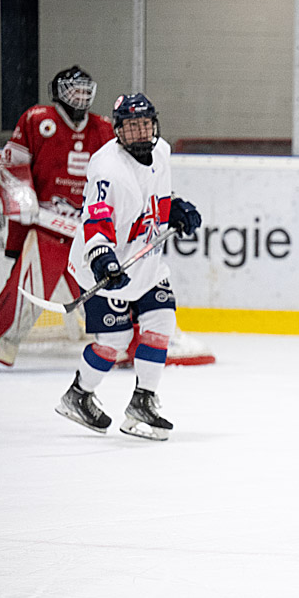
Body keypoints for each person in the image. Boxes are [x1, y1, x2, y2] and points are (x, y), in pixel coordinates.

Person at [56, 93, 202, 441]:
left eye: (145, 124)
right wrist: (102, 256)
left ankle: (143, 402)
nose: (140, 132)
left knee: (162, 320)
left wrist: (174, 209)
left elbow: (157, 194)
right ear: (117, 130)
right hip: (103, 266)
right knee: (115, 340)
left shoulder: (161, 151)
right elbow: (97, 219)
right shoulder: (108, 170)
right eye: (131, 126)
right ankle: (78, 395)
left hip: (145, 262)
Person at [0, 66, 115, 368]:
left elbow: (115, 177)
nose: (80, 97)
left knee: (104, 292)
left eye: (84, 90)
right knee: (27, 290)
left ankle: (120, 345)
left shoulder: (104, 128)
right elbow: (13, 164)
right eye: (74, 90)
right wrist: (23, 198)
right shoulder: (37, 120)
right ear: (59, 92)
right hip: (47, 227)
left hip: (87, 231)